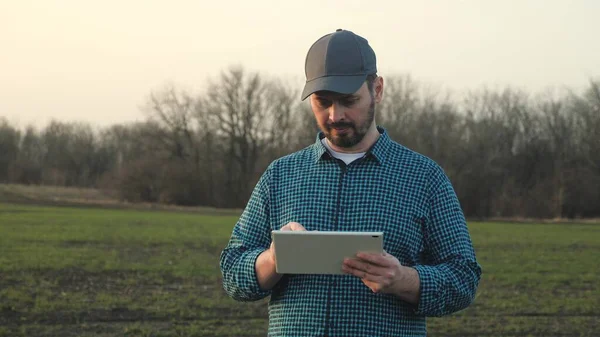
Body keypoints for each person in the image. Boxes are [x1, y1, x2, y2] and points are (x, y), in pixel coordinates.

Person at [220, 29, 482, 337]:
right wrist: (273, 259)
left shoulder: (425, 178)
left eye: (349, 100)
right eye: (323, 102)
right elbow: (232, 272)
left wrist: (404, 279)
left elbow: (464, 279)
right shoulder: (280, 175)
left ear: (378, 89)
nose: (335, 115)